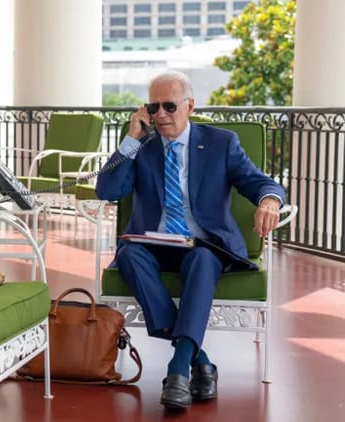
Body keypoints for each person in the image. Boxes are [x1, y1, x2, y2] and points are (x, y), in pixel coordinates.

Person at [95, 71, 284, 410]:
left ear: (190, 106)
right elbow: (107, 190)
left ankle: (178, 368)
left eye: (169, 106)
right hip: (152, 244)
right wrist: (131, 138)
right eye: (153, 107)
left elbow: (258, 182)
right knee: (129, 255)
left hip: (203, 244)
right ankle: (201, 362)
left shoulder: (221, 143)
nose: (161, 115)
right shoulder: (142, 146)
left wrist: (270, 200)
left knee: (203, 258)